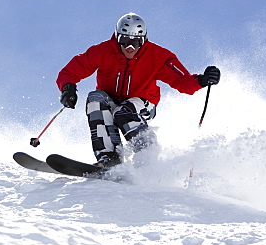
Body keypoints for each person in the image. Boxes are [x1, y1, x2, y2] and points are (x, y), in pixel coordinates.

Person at [56, 13, 220, 168]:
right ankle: (110, 158)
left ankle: (148, 156)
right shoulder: (102, 51)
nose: (129, 47)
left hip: (143, 101)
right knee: (95, 99)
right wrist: (67, 88)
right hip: (111, 100)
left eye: (135, 42)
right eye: (124, 40)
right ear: (117, 37)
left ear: (143, 41)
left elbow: (182, 82)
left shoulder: (158, 56)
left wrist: (202, 80)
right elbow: (70, 72)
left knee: (124, 111)